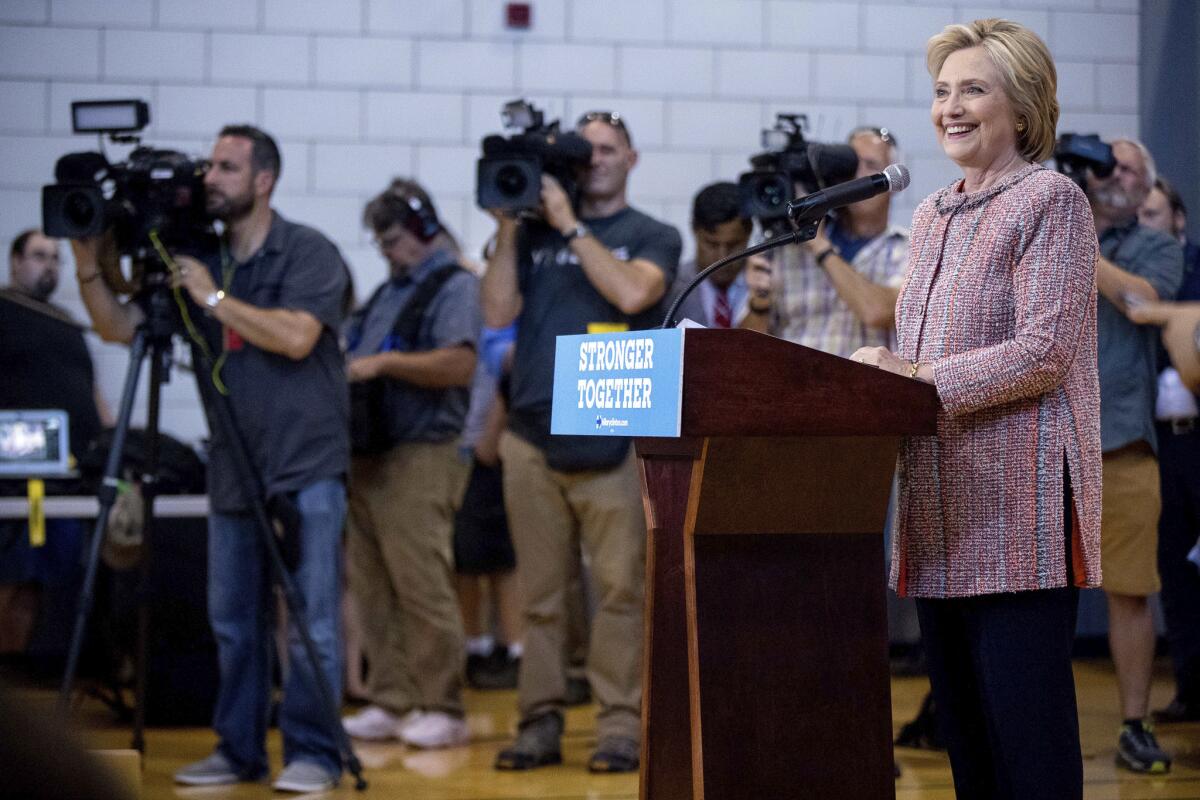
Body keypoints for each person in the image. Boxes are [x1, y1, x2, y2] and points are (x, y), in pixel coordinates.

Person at [852, 19, 1101, 798]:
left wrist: (913, 377)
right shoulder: (931, 215)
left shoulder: (1050, 200)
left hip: (1017, 514)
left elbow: (1043, 352)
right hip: (938, 512)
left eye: (973, 89)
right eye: (941, 92)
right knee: (967, 748)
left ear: (1021, 109)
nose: (950, 107)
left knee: (1028, 750)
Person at [72, 124, 351, 794]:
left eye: (227, 168)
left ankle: (314, 753)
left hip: (306, 462)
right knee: (233, 621)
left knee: (311, 620)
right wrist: (88, 255)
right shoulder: (200, 258)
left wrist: (214, 299)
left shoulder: (307, 251)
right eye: (209, 167)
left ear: (264, 180)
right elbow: (117, 327)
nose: (209, 180)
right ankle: (238, 749)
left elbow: (295, 336)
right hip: (232, 462)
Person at [481, 110, 681, 773]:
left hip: (615, 432)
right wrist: (511, 227)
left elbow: (632, 292)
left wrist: (569, 224)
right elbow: (496, 313)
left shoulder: (651, 234)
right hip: (531, 436)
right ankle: (538, 721)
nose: (593, 158)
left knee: (621, 592)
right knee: (541, 597)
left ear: (632, 158)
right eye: (583, 149)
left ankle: (620, 728)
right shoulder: (531, 234)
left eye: (606, 148)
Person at [340, 179, 480, 749]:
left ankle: (440, 704)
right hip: (372, 453)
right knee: (372, 585)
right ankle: (391, 697)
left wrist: (385, 363)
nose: (387, 252)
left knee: (421, 583)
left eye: (394, 240)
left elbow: (459, 365)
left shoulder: (455, 286)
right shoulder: (386, 291)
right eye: (381, 243)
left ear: (423, 231)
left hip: (423, 452)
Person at [1087, 139, 1183, 772]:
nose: (1115, 177)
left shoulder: (1158, 246)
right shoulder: (1044, 233)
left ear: (1147, 186)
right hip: (1042, 447)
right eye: (1106, 166)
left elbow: (1145, 302)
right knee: (1032, 591)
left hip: (1121, 440)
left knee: (1129, 591)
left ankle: (1134, 722)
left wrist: (1077, 245)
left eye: (1128, 170)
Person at [1, 229, 110, 655]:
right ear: (15, 262)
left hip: (70, 480)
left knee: (58, 583)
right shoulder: (6, 311)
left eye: (55, 258)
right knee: (14, 581)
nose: (49, 265)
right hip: (18, 485)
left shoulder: (66, 321)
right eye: (38, 256)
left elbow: (91, 391)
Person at [743, 127, 910, 355]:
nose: (858, 177)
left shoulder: (908, 247)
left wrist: (820, 245)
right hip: (792, 386)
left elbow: (877, 311)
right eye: (851, 167)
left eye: (871, 166)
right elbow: (745, 350)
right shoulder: (789, 248)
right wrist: (758, 304)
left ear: (893, 183)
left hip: (863, 388)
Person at [1133, 176, 1200, 723]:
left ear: (1178, 218)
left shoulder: (1194, 269)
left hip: (1199, 433)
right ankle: (1190, 687)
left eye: (1155, 213)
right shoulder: (1137, 274)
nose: (1146, 221)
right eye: (1141, 214)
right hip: (1160, 441)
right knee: (1173, 567)